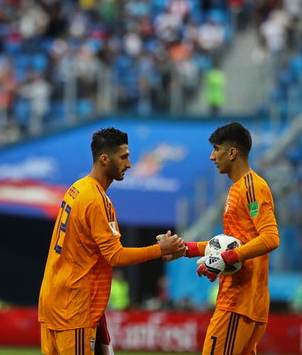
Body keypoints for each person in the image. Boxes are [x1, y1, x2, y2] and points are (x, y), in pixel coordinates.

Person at [38, 127, 185, 355]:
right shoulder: (97, 200)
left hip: (54, 302)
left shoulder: (76, 189)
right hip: (74, 308)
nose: (129, 164)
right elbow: (115, 256)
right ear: (105, 159)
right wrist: (159, 249)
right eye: (124, 157)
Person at [165, 122, 280, 355]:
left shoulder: (252, 187)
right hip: (246, 303)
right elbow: (230, 242)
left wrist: (227, 258)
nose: (211, 156)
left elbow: (270, 238)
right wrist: (186, 248)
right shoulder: (238, 188)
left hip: (239, 301)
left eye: (216, 149)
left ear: (232, 152)